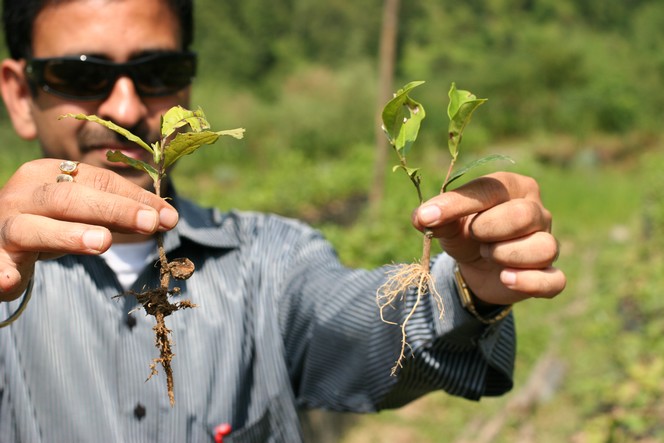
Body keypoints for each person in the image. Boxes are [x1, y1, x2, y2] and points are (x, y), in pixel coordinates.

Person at [0, 0, 565, 441]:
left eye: (159, 70)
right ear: (21, 96)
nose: (124, 109)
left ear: (188, 83)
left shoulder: (270, 259)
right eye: (77, 76)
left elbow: (362, 327)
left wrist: (467, 288)